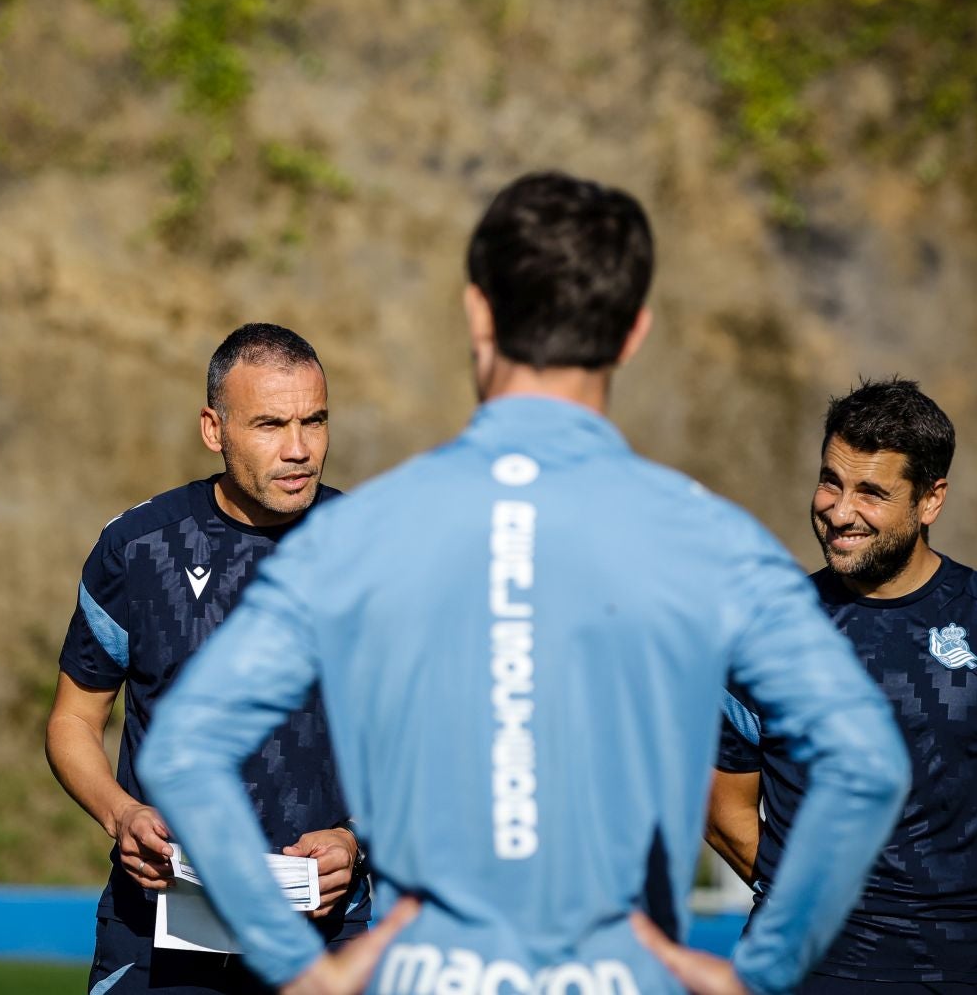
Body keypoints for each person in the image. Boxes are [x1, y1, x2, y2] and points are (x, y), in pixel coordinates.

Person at [138, 171, 912, 995]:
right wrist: (760, 972)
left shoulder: (364, 532)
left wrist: (299, 969)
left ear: (477, 313)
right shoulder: (704, 536)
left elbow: (186, 752)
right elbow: (866, 764)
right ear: (633, 334)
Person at [707, 379, 977, 993]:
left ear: (930, 500)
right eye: (831, 481)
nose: (840, 511)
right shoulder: (763, 632)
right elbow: (721, 809)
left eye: (871, 492)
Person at [46, 323, 369, 995]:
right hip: (156, 934)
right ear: (213, 429)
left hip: (326, 939)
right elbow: (73, 721)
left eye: (315, 421)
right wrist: (120, 814)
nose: (300, 449)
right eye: (270, 425)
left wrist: (356, 840)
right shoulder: (135, 549)